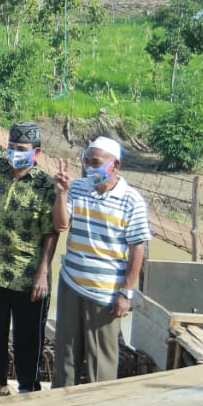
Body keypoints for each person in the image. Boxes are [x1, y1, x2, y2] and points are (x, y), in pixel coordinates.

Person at [52, 136, 151, 388]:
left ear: (114, 165)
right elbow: (61, 224)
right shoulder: (77, 188)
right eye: (86, 162)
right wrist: (62, 194)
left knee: (100, 360)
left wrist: (126, 294)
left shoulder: (131, 200)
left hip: (105, 293)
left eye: (95, 163)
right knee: (66, 353)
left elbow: (137, 249)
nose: (89, 168)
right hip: (71, 284)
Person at [0, 119, 58, 396]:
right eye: (10, 147)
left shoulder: (45, 186)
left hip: (28, 273)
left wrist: (43, 272)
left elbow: (52, 232)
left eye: (20, 148)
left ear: (36, 153)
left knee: (28, 336)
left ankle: (28, 386)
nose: (13, 153)